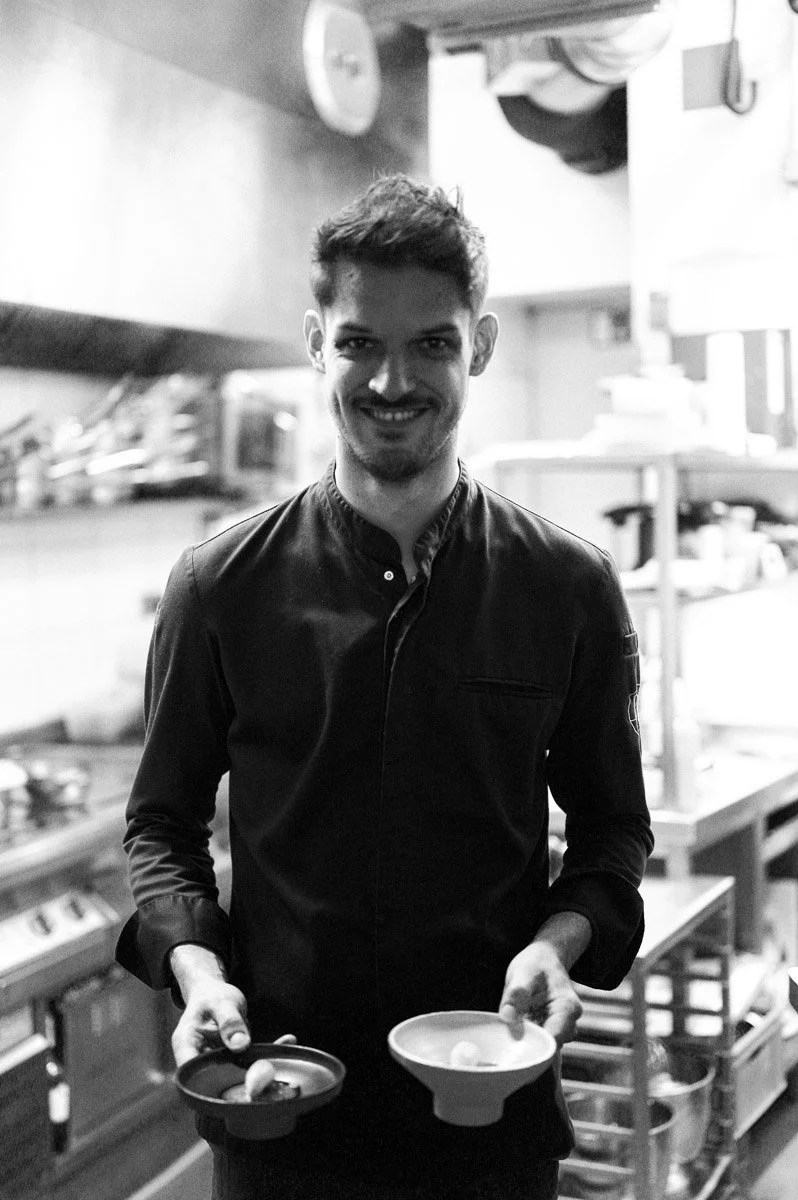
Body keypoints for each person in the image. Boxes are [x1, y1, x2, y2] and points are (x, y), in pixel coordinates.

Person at [116, 174, 653, 1200]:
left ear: (479, 348)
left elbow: (613, 833)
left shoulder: (566, 586)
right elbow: (161, 825)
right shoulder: (221, 585)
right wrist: (198, 972)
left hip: (489, 1108)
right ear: (318, 343)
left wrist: (559, 942)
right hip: (282, 1107)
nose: (392, 380)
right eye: (360, 341)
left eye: (432, 345)